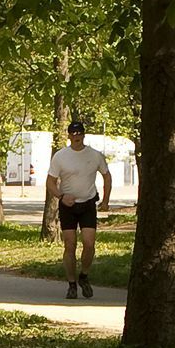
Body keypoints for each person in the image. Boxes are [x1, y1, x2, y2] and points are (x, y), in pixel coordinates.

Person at [47, 121, 112, 299]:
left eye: (79, 133)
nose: (76, 136)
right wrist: (61, 196)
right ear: (68, 136)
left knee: (89, 244)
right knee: (70, 244)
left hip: (88, 203)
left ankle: (84, 275)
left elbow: (106, 176)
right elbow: (50, 183)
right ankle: (71, 284)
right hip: (67, 205)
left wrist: (105, 200)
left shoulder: (95, 155)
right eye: (73, 133)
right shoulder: (60, 156)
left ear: (84, 135)